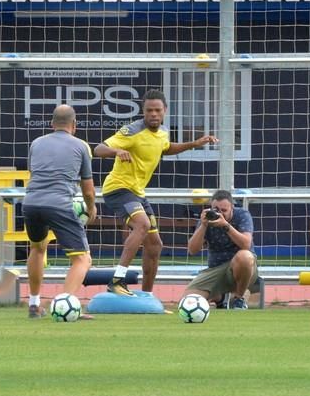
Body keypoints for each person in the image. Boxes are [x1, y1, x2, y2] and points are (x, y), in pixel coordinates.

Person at [94, 89, 219, 296]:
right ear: (143, 111)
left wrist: (194, 144)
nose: (153, 114)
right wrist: (116, 151)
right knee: (142, 225)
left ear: (165, 111)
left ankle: (146, 295)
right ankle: (116, 281)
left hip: (137, 193)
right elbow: (98, 149)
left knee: (155, 245)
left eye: (157, 110)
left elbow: (166, 148)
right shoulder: (131, 131)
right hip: (118, 188)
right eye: (149, 110)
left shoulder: (162, 132)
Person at [23, 104, 97, 318]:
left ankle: (34, 304)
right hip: (59, 204)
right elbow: (89, 190)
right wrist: (90, 208)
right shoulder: (81, 146)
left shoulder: (36, 143)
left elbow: (33, 173)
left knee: (37, 248)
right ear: (74, 125)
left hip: (32, 203)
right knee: (83, 259)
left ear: (51, 124)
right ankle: (65, 305)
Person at [182, 189, 257, 310]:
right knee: (188, 300)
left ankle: (239, 299)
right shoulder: (207, 219)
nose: (220, 214)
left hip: (241, 267)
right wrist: (203, 225)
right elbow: (192, 250)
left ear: (232, 207)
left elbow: (246, 244)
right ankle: (220, 298)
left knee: (245, 257)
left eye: (224, 210)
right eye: (216, 210)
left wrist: (226, 226)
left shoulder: (242, 215)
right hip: (216, 269)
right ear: (211, 207)